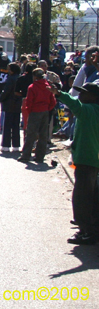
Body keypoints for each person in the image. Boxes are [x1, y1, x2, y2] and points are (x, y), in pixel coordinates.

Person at [46, 81, 99, 245]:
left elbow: (75, 105)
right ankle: (91, 228)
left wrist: (60, 94)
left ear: (94, 97)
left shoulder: (89, 110)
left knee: (82, 197)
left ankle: (86, 231)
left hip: (86, 160)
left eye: (84, 92)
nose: (81, 95)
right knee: (93, 196)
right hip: (92, 159)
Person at [20, 68, 56, 162]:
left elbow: (29, 102)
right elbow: (53, 101)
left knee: (31, 134)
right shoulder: (48, 86)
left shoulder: (32, 87)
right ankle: (40, 157)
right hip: (45, 112)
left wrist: (29, 110)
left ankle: (26, 156)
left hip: (35, 111)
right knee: (43, 135)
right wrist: (47, 109)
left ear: (35, 76)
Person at [0, 63, 23, 152]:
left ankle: (6, 145)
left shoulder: (10, 79)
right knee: (16, 125)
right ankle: (16, 145)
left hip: (9, 104)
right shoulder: (20, 78)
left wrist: (1, 98)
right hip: (18, 104)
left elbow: (7, 91)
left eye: (9, 69)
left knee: (7, 126)